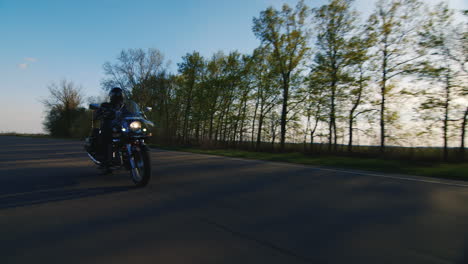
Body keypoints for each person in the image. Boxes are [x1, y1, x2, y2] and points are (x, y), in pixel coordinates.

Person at [95, 87, 127, 173]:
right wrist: (101, 112)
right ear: (112, 96)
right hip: (109, 126)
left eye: (119, 95)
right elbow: (97, 114)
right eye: (116, 95)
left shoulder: (125, 106)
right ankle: (106, 161)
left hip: (122, 127)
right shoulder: (106, 105)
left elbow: (133, 112)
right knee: (107, 138)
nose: (118, 96)